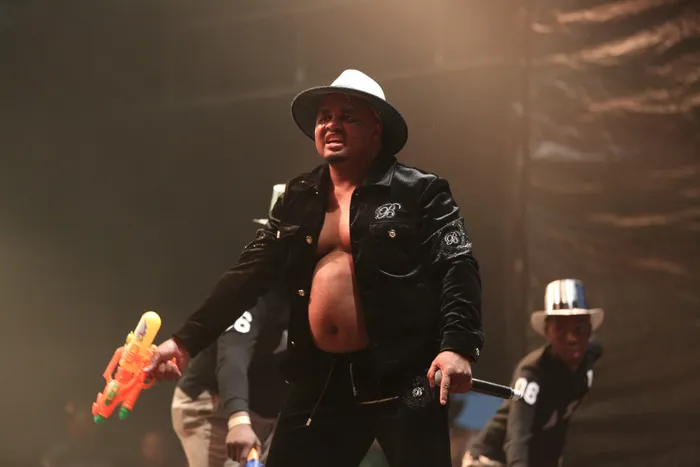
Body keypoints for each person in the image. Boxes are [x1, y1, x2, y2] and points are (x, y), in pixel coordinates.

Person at [145, 69, 485, 467]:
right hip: (321, 378)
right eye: (324, 117)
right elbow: (247, 274)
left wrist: (458, 346)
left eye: (347, 116)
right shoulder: (298, 198)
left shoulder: (420, 191)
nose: (331, 125)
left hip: (403, 374)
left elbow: (458, 265)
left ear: (376, 128)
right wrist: (184, 342)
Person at [171, 189, 289, 467]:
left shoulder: (311, 287)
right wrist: (238, 419)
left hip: (267, 414)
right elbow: (233, 354)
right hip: (214, 409)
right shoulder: (255, 289)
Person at [463, 278, 604, 467]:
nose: (571, 338)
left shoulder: (590, 356)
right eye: (560, 330)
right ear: (547, 332)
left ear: (590, 330)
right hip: (489, 460)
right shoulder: (532, 374)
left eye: (579, 329)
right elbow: (517, 437)